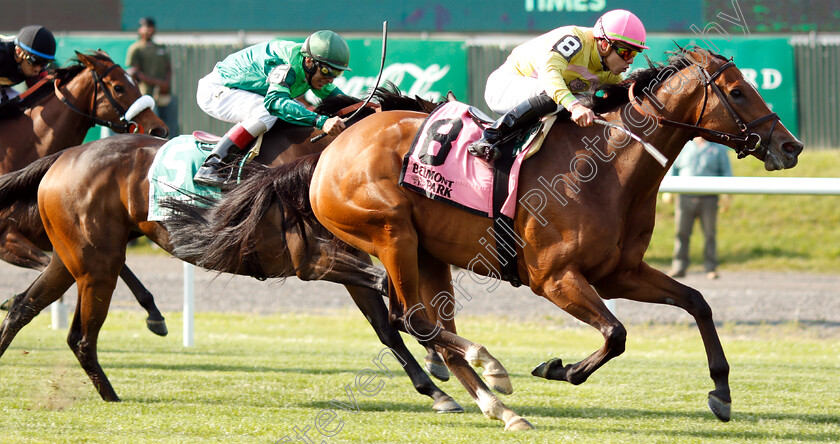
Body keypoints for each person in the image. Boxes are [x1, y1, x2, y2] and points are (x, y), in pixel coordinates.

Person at [469, 9, 648, 161]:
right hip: (505, 86)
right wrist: (575, 106)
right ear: (603, 44)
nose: (630, 60)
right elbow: (550, 74)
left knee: (588, 102)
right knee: (561, 99)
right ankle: (490, 137)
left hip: (537, 95)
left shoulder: (609, 70)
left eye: (635, 54)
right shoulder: (575, 40)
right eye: (626, 52)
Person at [194, 30, 350, 188]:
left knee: (295, 112)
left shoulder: (309, 69)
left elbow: (341, 100)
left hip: (241, 91)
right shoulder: (285, 65)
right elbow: (274, 102)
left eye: (337, 73)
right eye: (327, 71)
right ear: (309, 61)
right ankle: (212, 165)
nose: (330, 79)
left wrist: (369, 108)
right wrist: (321, 121)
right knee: (267, 111)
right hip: (217, 89)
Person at [667, 137, 733, 280]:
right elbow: (674, 167)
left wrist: (727, 195)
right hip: (685, 197)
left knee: (710, 234)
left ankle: (711, 267)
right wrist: (668, 188)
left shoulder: (718, 148)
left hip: (709, 198)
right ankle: (679, 266)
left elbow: (726, 171)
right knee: (681, 233)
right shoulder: (684, 146)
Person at [125, 17, 178, 135]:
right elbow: (136, 72)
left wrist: (166, 83)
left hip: (164, 93)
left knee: (171, 123)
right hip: (147, 94)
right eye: (146, 27)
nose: (149, 30)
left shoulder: (160, 47)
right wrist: (158, 83)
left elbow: (168, 68)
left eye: (151, 27)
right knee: (155, 126)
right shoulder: (136, 48)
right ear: (140, 30)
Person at [0, 25, 55, 107]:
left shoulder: (40, 72)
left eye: (44, 63)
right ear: (19, 52)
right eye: (34, 60)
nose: (38, 69)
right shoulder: (2, 55)